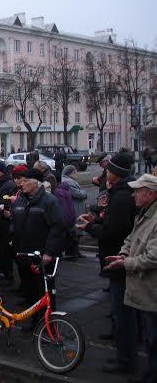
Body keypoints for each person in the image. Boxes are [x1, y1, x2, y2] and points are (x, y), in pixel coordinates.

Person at [76, 153, 137, 364]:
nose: (106, 173)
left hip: (118, 258)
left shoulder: (121, 197)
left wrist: (90, 227)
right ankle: (122, 346)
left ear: (116, 174)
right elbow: (110, 221)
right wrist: (95, 219)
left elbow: (113, 230)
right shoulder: (119, 193)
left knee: (123, 310)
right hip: (117, 257)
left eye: (109, 170)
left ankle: (126, 359)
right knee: (120, 309)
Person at [104, 174, 157, 382]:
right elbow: (131, 238)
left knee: (154, 339)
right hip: (143, 289)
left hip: (151, 289)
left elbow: (153, 257)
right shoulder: (144, 213)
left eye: (138, 191)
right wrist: (124, 253)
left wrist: (125, 263)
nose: (133, 194)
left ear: (151, 194)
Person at [6, 168, 65, 319]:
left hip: (41, 256)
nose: (21, 184)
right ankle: (34, 322)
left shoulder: (49, 201)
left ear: (36, 183)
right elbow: (14, 221)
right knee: (29, 291)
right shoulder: (20, 200)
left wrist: (49, 252)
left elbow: (57, 227)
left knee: (44, 292)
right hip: (23, 254)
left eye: (25, 181)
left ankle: (47, 324)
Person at [0, 161, 16, 278]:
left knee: (4, 250)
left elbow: (5, 201)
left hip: (4, 221)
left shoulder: (8, 184)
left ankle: (7, 274)